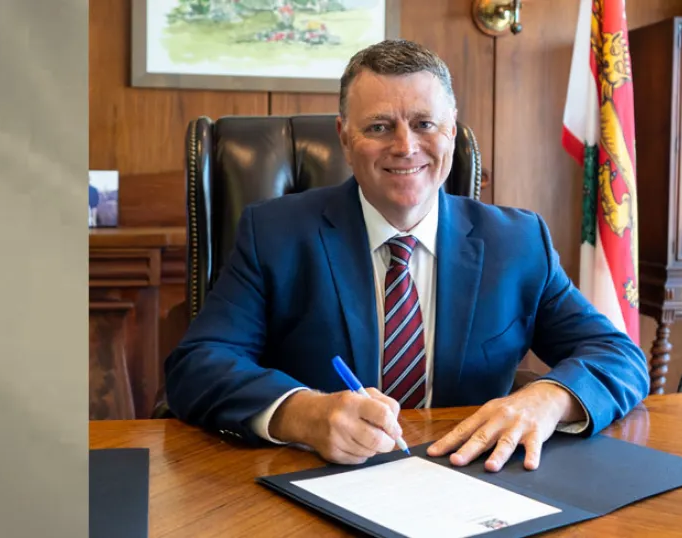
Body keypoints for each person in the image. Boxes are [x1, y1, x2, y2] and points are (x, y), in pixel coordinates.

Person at [163, 39, 649, 472]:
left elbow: (620, 357)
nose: (405, 146)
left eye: (424, 124)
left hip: (471, 483)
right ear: (344, 138)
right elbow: (198, 364)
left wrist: (549, 399)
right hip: (315, 481)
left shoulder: (517, 242)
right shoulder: (274, 233)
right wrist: (303, 414)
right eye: (378, 126)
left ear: (452, 132)